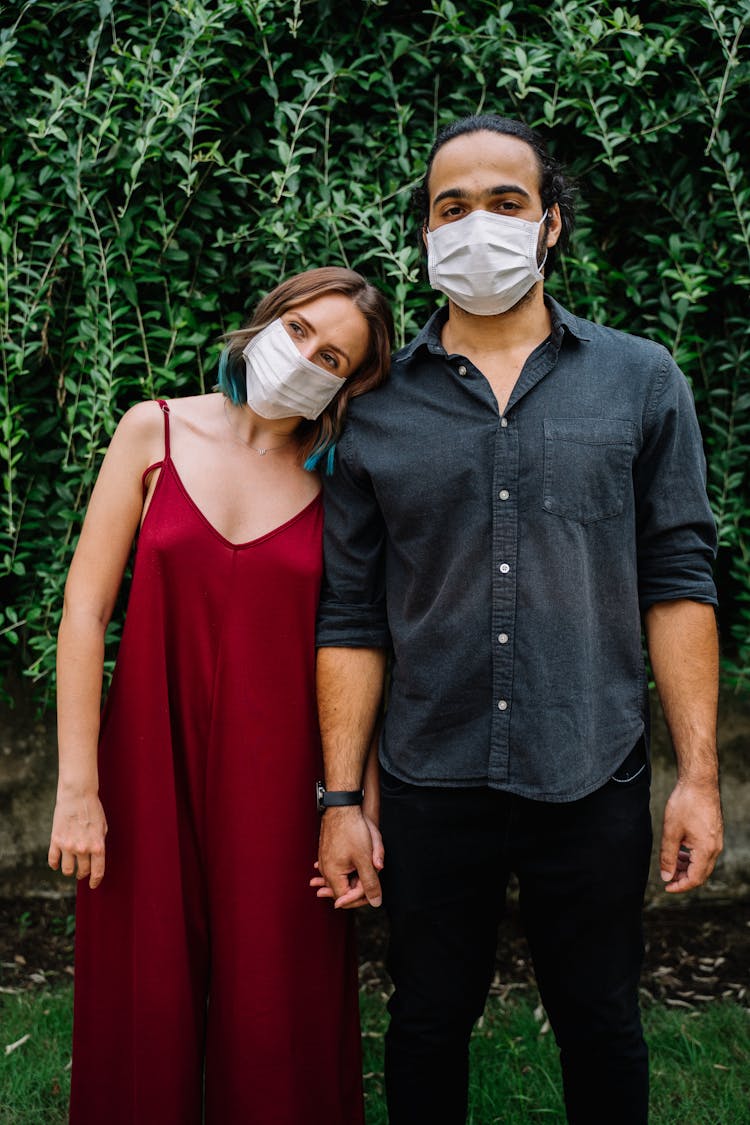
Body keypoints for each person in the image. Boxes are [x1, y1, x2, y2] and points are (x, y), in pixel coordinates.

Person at [314, 116, 723, 1125]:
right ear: (424, 236)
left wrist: (699, 777)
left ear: (549, 226)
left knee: (600, 1021)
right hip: (428, 776)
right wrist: (338, 799)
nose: (477, 225)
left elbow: (678, 578)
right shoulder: (371, 411)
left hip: (591, 766)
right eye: (451, 207)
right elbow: (352, 615)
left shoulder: (641, 379)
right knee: (425, 1023)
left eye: (505, 202)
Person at [47, 266, 394, 1125]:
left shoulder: (342, 485)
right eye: (302, 330)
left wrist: (358, 807)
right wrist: (78, 788)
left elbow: (363, 647)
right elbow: (85, 611)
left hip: (284, 783)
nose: (308, 357)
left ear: (346, 389)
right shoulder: (150, 431)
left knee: (284, 1016)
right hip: (142, 770)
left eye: (335, 358)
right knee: (141, 1008)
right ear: (267, 320)